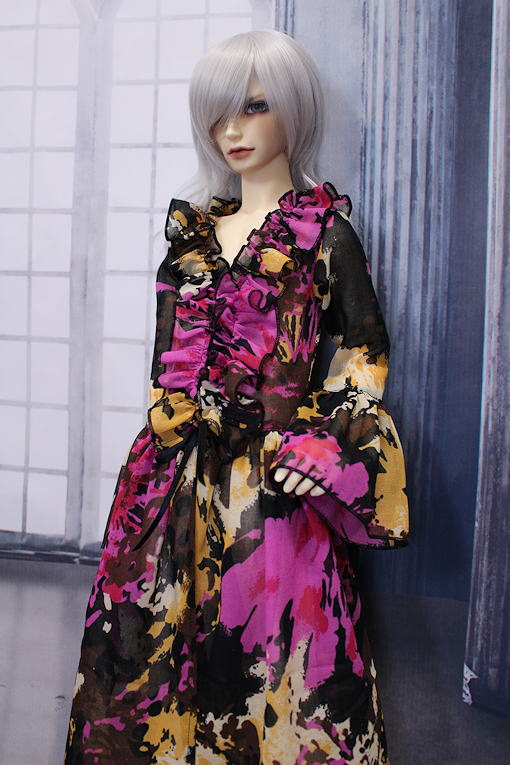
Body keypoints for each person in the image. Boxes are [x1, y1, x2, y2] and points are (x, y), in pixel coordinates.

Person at [64, 29, 409, 764]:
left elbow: (362, 357)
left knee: (275, 669)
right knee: (152, 665)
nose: (232, 129)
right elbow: (168, 365)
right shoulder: (191, 240)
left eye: (254, 106)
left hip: (272, 494)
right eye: (219, 112)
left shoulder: (323, 236)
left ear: (293, 107)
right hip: (169, 487)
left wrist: (321, 448)